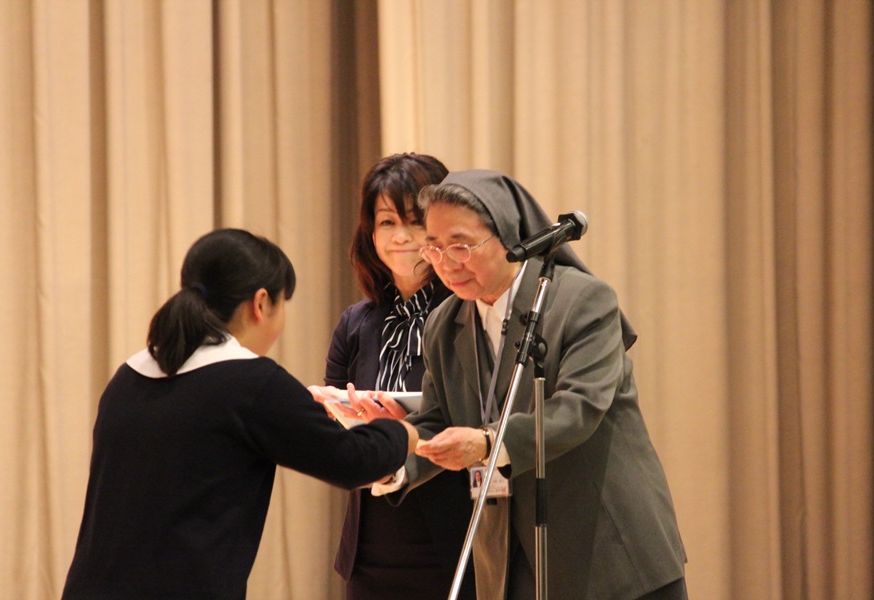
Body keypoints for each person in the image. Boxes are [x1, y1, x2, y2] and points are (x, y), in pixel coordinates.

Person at [356, 170, 688, 599]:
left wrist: (486, 443)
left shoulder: (582, 301)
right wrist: (388, 455)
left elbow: (579, 409)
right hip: (512, 560)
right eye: (434, 247)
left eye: (461, 245)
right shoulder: (443, 323)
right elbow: (438, 421)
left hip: (608, 548)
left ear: (509, 238)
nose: (445, 263)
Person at [62, 228, 418, 600]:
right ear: (260, 303)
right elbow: (353, 461)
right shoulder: (252, 383)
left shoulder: (128, 377)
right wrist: (403, 430)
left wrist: (300, 408)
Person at [307, 153, 476, 599]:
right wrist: (341, 417)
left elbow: (487, 421)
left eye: (415, 222)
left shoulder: (471, 315)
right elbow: (330, 440)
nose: (400, 237)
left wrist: (409, 428)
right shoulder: (355, 323)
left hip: (456, 542)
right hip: (371, 550)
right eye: (386, 222)